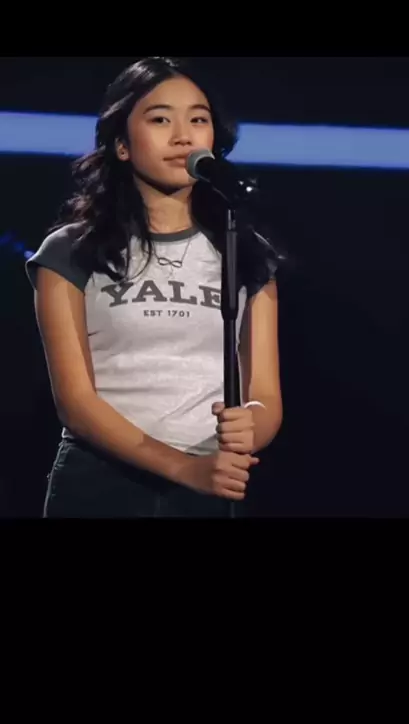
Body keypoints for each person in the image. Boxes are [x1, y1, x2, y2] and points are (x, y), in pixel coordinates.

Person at [26, 56, 283, 518]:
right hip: (101, 483)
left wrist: (252, 426)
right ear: (122, 144)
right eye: (160, 119)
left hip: (212, 483)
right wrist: (184, 469)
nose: (183, 136)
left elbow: (264, 392)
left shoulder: (246, 253)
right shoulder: (70, 251)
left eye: (198, 120)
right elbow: (76, 403)